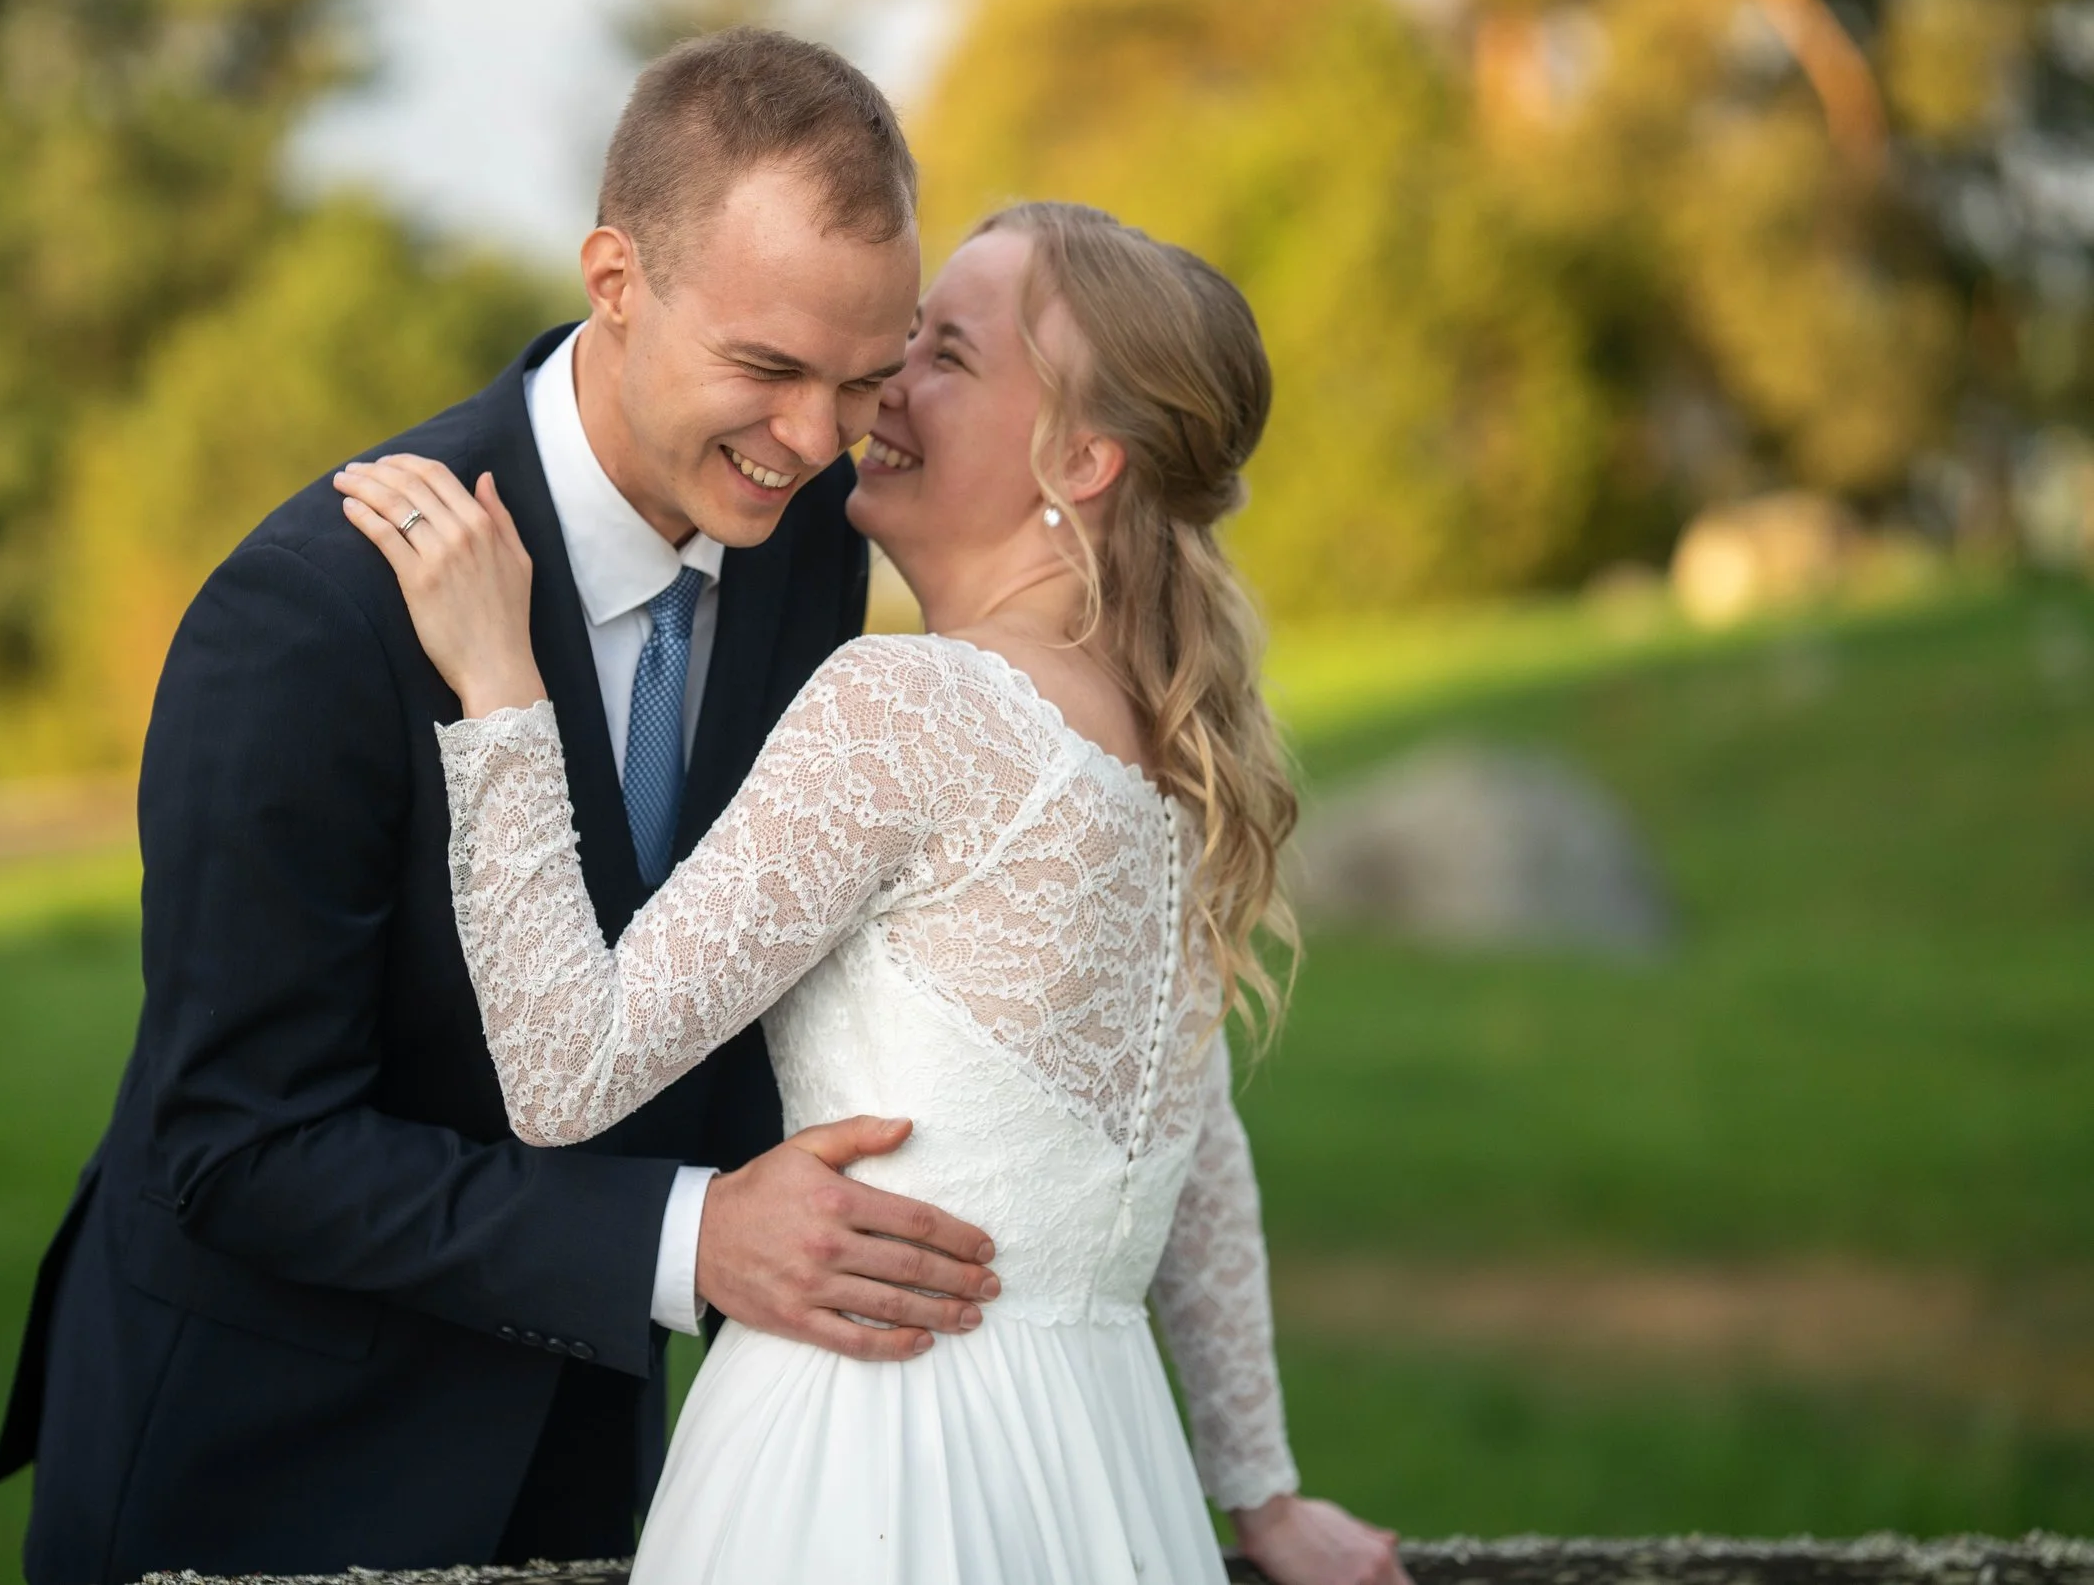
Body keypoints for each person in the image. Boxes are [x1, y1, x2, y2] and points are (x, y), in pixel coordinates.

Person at [0, 28, 1003, 1583]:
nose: (814, 441)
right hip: (267, 1459)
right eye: (767, 367)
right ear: (614, 279)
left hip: (593, 1451)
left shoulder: (804, 550)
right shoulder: (313, 618)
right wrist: (684, 1240)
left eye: (863, 380)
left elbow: (720, 966)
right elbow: (238, 1146)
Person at [337, 199, 1411, 1583]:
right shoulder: (1166, 748)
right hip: (1100, 1471)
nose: (880, 387)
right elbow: (1195, 1154)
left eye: (946, 356)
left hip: (864, 1457)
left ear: (1083, 458)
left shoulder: (911, 704)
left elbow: (568, 1066)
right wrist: (1257, 1493)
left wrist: (500, 688)